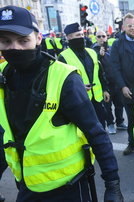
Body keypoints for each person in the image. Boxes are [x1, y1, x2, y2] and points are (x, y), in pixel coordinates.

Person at [0, 6, 123, 201]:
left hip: (69, 188)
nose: (15, 48)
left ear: (38, 39)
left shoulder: (63, 77)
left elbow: (96, 133)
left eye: (23, 41)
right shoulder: (3, 75)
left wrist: (112, 184)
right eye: (6, 41)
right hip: (27, 186)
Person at [110, 13, 134, 155]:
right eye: (129, 26)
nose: (132, 28)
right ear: (123, 27)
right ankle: (132, 143)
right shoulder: (117, 44)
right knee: (132, 119)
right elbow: (114, 67)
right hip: (127, 89)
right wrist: (122, 86)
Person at [58, 22, 110, 129]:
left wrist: (105, 89)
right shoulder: (63, 57)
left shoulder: (92, 52)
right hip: (79, 100)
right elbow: (62, 82)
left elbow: (100, 73)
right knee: (86, 130)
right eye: (78, 35)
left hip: (97, 100)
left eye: (82, 35)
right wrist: (80, 87)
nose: (81, 37)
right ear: (68, 37)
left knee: (101, 127)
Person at [92, 30, 127, 134]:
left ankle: (120, 122)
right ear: (96, 38)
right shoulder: (93, 51)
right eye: (99, 36)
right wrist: (99, 56)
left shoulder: (111, 48)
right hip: (105, 83)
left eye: (103, 36)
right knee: (107, 106)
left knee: (119, 104)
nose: (102, 38)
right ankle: (110, 124)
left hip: (116, 81)